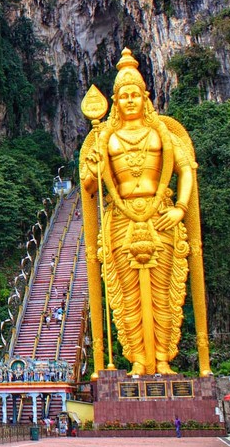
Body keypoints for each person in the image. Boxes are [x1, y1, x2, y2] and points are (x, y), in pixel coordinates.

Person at [81, 48, 200, 376]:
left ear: (145, 97)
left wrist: (180, 208)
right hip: (121, 219)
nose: (130, 100)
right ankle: (136, 358)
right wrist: (92, 169)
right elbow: (90, 188)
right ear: (115, 102)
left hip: (160, 213)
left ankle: (162, 357)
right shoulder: (105, 138)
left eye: (135, 94)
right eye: (123, 96)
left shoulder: (161, 133)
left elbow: (186, 168)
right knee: (125, 291)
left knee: (165, 292)